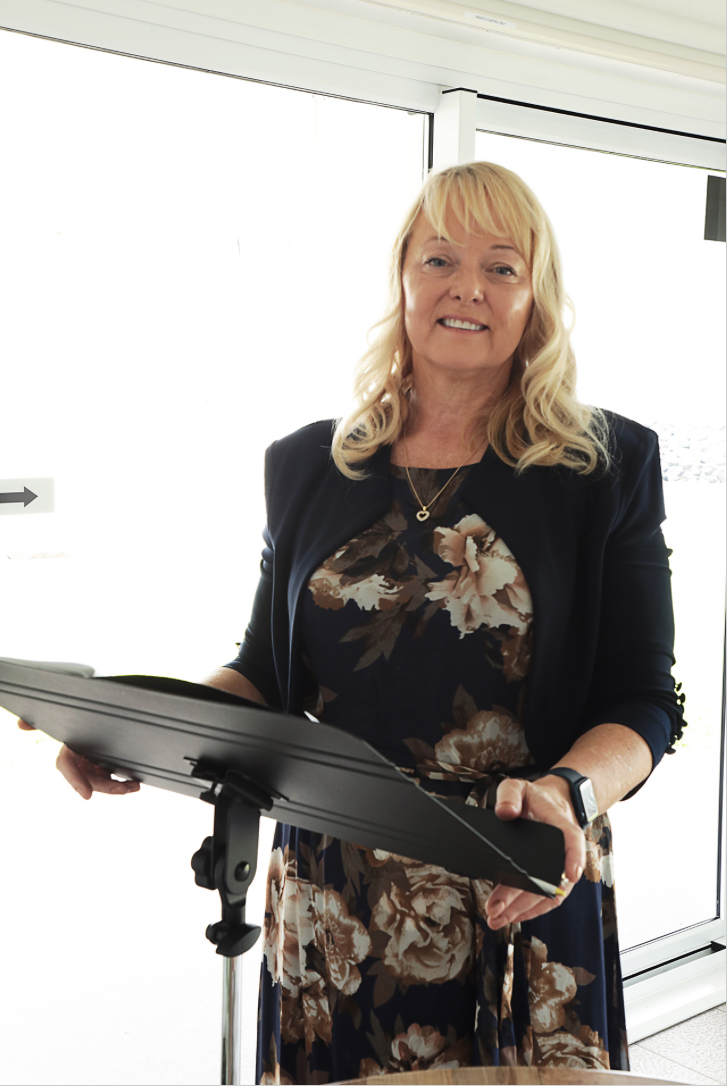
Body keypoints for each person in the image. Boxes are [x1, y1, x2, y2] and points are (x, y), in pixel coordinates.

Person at [28, 162, 685, 1083]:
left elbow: (643, 699)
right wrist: (131, 729)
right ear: (402, 279)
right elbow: (263, 673)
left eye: (500, 266)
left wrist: (568, 792)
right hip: (331, 889)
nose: (466, 287)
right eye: (439, 259)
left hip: (516, 872)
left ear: (535, 296)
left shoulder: (602, 465)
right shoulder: (307, 463)